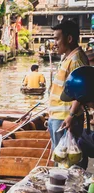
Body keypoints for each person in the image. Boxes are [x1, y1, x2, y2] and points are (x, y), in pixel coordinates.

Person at [47, 20, 89, 153]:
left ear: (69, 38)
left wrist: (71, 116)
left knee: (68, 160)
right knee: (60, 158)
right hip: (57, 116)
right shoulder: (68, 58)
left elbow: (81, 92)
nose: (54, 43)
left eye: (57, 39)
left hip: (65, 118)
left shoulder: (76, 59)